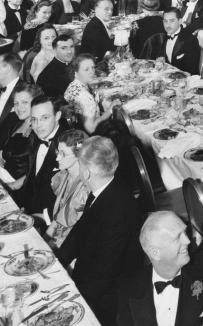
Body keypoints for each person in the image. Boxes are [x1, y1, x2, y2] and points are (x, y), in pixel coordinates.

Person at [117, 211, 203, 326]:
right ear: (155, 253)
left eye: (185, 232)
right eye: (177, 237)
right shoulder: (130, 291)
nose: (187, 241)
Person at [57, 135, 143, 323]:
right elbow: (79, 232)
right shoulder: (106, 186)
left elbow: (104, 273)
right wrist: (57, 264)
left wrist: (72, 299)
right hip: (91, 275)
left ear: (86, 173)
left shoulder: (117, 209)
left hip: (107, 298)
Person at [46, 129, 90, 246]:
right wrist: (44, 240)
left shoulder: (85, 188)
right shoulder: (63, 176)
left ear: (79, 154)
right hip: (59, 236)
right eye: (58, 152)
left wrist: (50, 246)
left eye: (63, 154)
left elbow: (78, 232)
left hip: (74, 244)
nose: (57, 159)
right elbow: (58, 219)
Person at [141, 8, 203, 75]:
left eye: (172, 21)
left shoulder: (190, 40)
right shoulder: (166, 36)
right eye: (165, 21)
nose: (168, 25)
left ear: (180, 21)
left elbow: (191, 71)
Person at [65, 54, 113, 134]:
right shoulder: (85, 97)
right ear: (76, 73)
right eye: (86, 69)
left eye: (93, 67)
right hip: (95, 134)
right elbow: (91, 129)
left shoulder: (73, 85)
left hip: (80, 124)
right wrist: (110, 110)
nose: (92, 72)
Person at [36, 33, 76, 98]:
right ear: (54, 50)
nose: (69, 51)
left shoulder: (75, 64)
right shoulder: (47, 76)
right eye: (63, 48)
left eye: (71, 47)